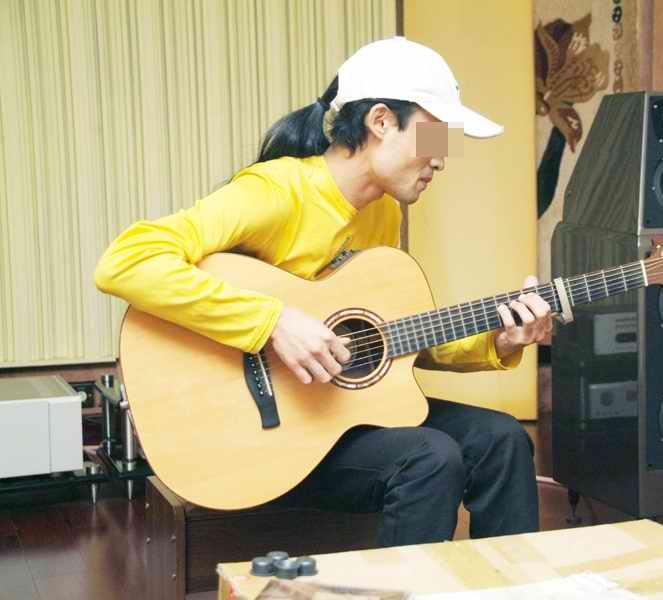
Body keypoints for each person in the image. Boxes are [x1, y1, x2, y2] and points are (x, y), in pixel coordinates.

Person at [95, 37, 552, 547]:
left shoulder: (381, 212)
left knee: (503, 440)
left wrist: (500, 340)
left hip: (340, 415)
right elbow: (125, 262)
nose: (441, 159)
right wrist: (272, 322)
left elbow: (390, 338)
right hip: (264, 436)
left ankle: (514, 581)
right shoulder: (274, 193)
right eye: (434, 135)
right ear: (381, 121)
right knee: (431, 458)